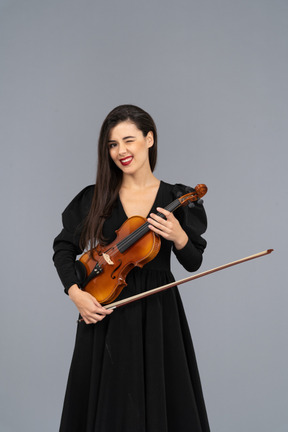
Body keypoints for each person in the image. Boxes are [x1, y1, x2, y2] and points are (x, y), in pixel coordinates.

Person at [53, 104, 210, 432]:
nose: (121, 151)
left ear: (149, 139)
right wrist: (76, 294)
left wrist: (180, 236)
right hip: (105, 308)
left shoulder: (176, 197)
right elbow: (64, 248)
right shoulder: (97, 197)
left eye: (129, 140)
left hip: (158, 310)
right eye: (112, 144)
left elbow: (193, 263)